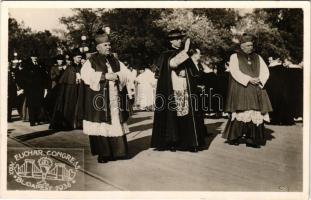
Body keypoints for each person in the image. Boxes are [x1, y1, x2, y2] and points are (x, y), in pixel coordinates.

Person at [79, 29, 132, 163]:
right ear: (98, 47)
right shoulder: (91, 61)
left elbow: (126, 73)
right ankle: (104, 154)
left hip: (114, 97)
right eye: (105, 45)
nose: (109, 47)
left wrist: (118, 76)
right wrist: (104, 76)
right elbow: (86, 76)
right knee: (102, 125)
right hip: (100, 99)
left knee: (115, 121)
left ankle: (118, 151)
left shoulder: (114, 60)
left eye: (109, 44)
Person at [151, 29, 208, 152]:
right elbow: (172, 63)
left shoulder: (183, 53)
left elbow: (193, 70)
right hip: (173, 88)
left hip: (185, 87)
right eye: (177, 39)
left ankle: (188, 142)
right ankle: (172, 141)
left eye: (180, 39)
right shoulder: (166, 54)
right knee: (174, 115)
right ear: (171, 40)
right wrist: (186, 51)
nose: (179, 41)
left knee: (187, 114)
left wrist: (187, 72)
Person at [222, 33, 273, 148]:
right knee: (241, 111)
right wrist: (248, 79)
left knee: (255, 111)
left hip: (256, 88)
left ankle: (252, 139)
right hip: (242, 87)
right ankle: (235, 137)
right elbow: (234, 71)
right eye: (248, 45)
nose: (251, 47)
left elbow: (265, 71)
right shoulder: (234, 57)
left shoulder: (258, 57)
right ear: (242, 46)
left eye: (251, 45)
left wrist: (259, 79)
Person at [49, 48, 83, 130]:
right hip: (71, 90)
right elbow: (66, 80)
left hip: (79, 89)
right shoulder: (70, 68)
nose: (80, 59)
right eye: (78, 57)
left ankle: (78, 123)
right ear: (74, 58)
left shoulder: (81, 67)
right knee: (70, 105)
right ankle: (70, 123)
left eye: (80, 57)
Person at [19, 50, 49, 126]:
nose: (35, 58)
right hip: (30, 89)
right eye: (33, 57)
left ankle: (37, 119)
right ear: (31, 57)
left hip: (39, 88)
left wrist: (45, 87)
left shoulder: (40, 65)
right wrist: (24, 87)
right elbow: (23, 77)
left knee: (38, 104)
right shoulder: (27, 65)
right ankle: (32, 121)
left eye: (36, 57)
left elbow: (44, 77)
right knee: (31, 105)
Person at [265, 56, 294, 125]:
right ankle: (285, 120)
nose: (269, 61)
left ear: (277, 59)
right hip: (283, 90)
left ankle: (275, 119)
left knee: (275, 103)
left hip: (273, 89)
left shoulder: (270, 69)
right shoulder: (285, 69)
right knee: (283, 104)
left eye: (270, 60)